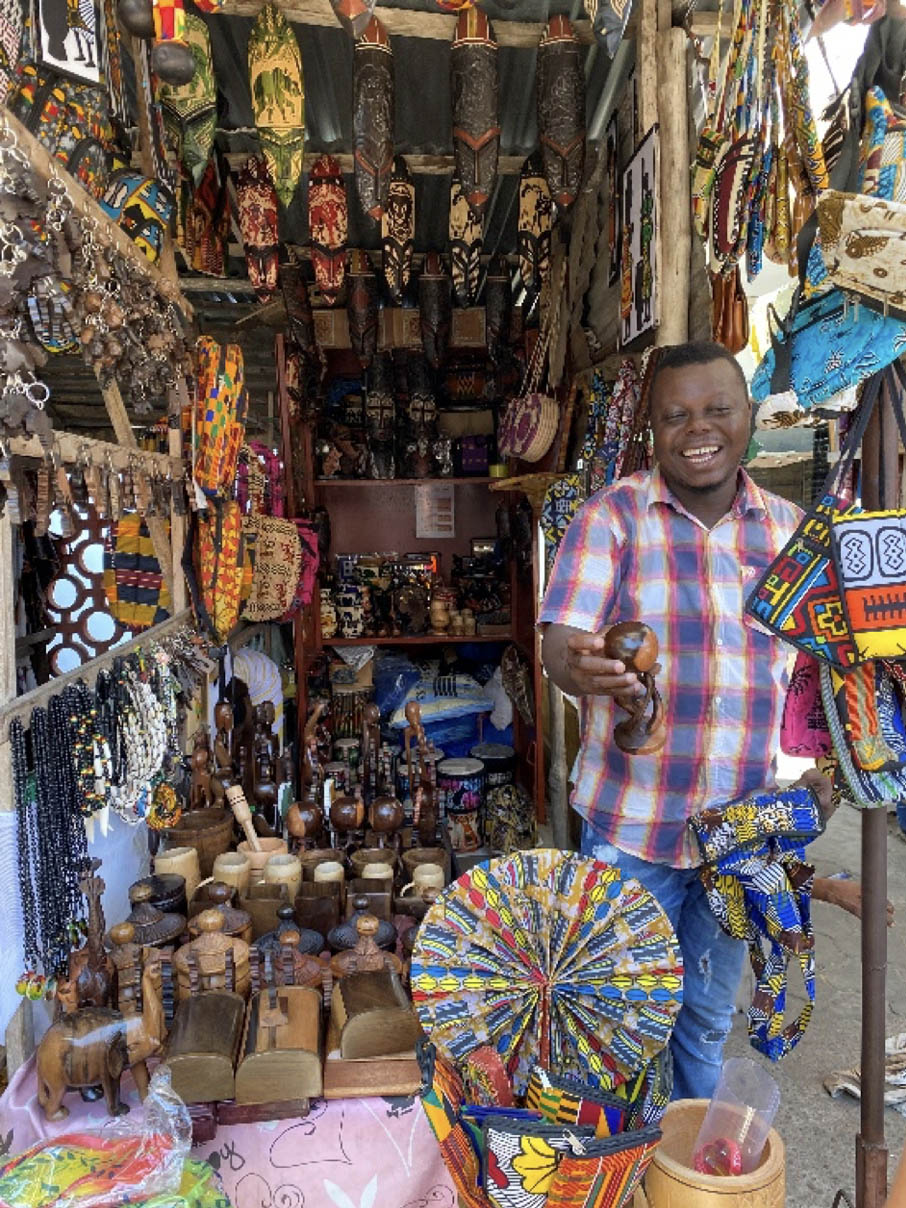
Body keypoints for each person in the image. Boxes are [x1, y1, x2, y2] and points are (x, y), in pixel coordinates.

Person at [540, 340, 834, 1100]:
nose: (698, 429)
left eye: (717, 410)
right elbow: (558, 648)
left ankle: (687, 1171)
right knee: (615, 1017)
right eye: (676, 415)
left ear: (748, 419)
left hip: (738, 832)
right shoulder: (611, 519)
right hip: (631, 824)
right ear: (651, 428)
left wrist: (823, 778)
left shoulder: (789, 534)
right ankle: (613, 1164)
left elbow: (821, 684)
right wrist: (584, 668)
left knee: (704, 1019)